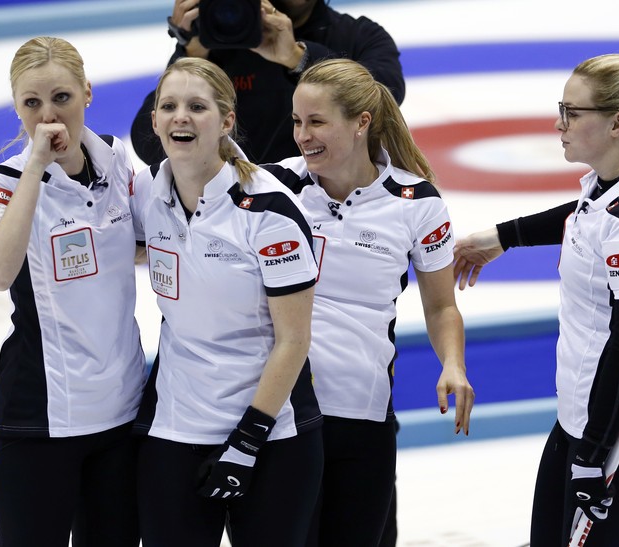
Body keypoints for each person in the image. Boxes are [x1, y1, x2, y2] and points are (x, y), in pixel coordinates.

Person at [454, 53, 619, 546]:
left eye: (571, 112)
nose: (558, 123)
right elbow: (587, 216)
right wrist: (505, 236)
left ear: (617, 124)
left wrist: (593, 455)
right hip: (585, 414)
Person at [259, 58, 475, 547]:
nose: (301, 135)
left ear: (361, 123)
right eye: (296, 121)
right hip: (282, 412)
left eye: (316, 122)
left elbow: (441, 307)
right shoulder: (271, 189)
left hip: (362, 415)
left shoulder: (417, 202)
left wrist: (453, 365)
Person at [129, 56, 323, 546]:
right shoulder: (148, 194)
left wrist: (247, 440)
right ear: (153, 121)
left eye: (197, 106)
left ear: (226, 120)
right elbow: (94, 231)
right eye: (168, 106)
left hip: (270, 436)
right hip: (175, 430)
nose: (181, 117)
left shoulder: (270, 209)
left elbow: (295, 339)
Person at [0, 36, 145, 547]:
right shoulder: (0, 183)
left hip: (122, 411)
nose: (48, 117)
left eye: (61, 98)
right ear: (16, 108)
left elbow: (136, 246)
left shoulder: (115, 161)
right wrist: (34, 167)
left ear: (87, 93)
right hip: (39, 418)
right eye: (32, 103)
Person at [130, 0, 405, 166]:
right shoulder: (217, 42)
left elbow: (384, 99)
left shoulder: (359, 36)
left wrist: (299, 57)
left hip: (331, 211)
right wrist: (190, 55)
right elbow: (150, 144)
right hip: (231, 215)